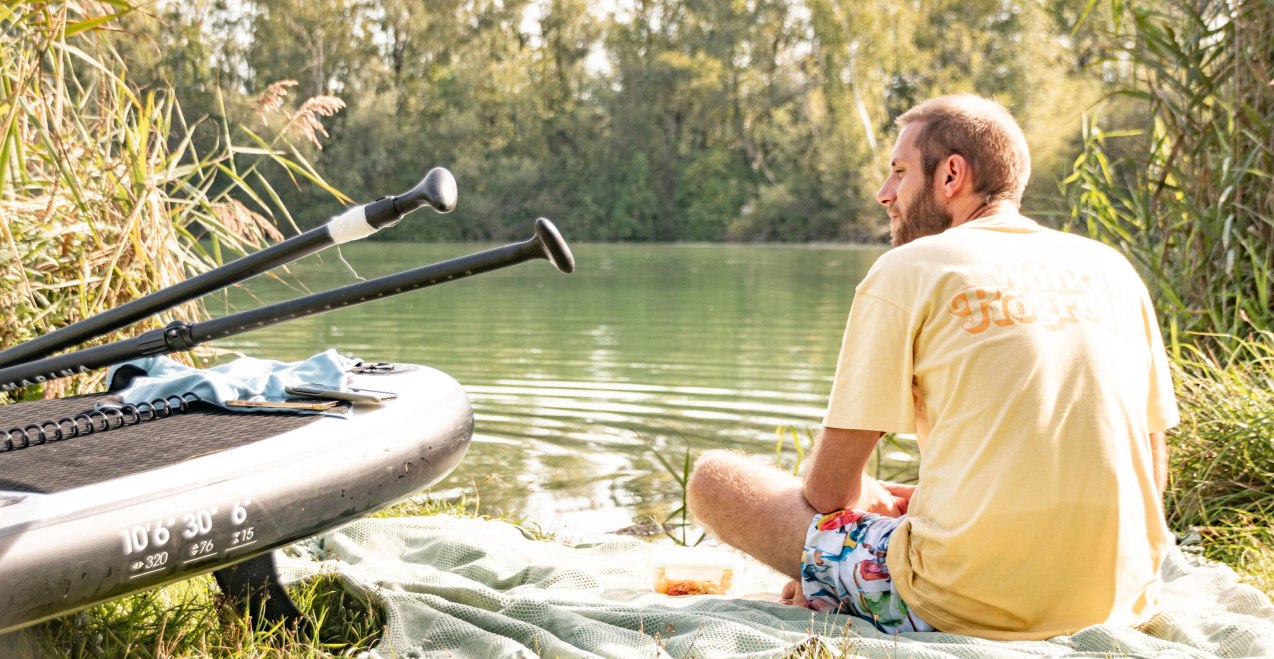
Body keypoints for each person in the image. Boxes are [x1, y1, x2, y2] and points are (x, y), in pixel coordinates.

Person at [685, 94, 1179, 640]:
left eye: (899, 171)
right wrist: (919, 504)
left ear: (950, 175)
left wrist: (862, 512)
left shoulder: (909, 268)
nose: (885, 192)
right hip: (1121, 598)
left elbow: (828, 494)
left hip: (960, 602)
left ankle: (846, 586)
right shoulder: (1111, 269)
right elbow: (1150, 464)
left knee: (717, 480)